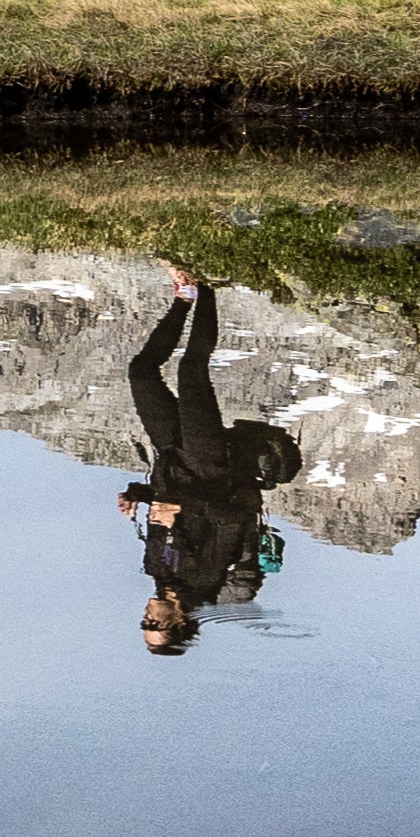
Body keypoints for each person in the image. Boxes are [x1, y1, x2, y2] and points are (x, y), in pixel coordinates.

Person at [119, 266, 304, 653]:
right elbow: (230, 518)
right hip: (209, 464)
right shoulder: (205, 577)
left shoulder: (157, 570)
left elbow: (164, 507)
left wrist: (139, 494)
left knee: (141, 372)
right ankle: (204, 290)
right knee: (192, 371)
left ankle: (183, 300)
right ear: (181, 622)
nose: (148, 616)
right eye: (156, 624)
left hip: (170, 457)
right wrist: (175, 506)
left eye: (144, 623)